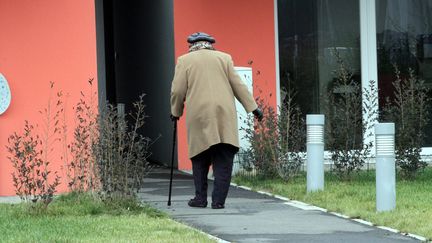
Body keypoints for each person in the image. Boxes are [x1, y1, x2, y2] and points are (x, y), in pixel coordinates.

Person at [170, 32, 263, 209]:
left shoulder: (184, 61)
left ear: (192, 45)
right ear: (210, 44)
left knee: (199, 156)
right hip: (224, 115)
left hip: (199, 115)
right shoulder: (224, 58)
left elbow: (177, 91)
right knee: (223, 158)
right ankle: (218, 201)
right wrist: (253, 108)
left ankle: (200, 199)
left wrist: (176, 112)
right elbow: (239, 85)